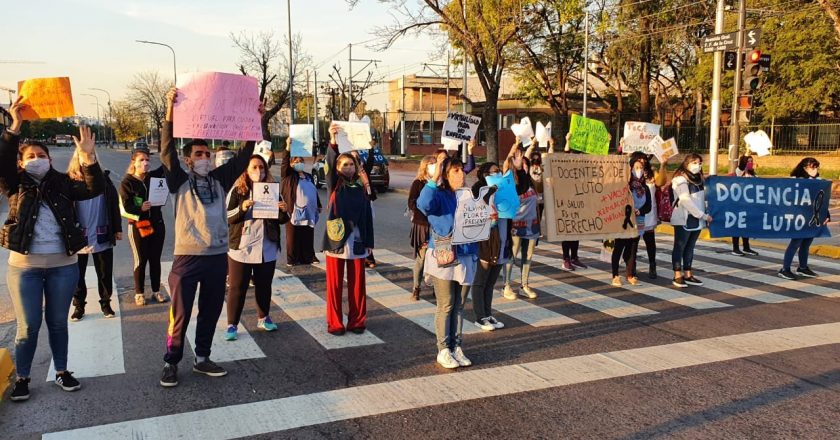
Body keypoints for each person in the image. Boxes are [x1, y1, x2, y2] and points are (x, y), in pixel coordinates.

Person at [1, 96, 104, 401]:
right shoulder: (14, 184)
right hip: (25, 269)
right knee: (28, 326)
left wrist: (88, 157)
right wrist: (14, 127)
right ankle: (22, 377)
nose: (37, 158)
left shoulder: (62, 182)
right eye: (30, 155)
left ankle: (61, 371)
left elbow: (92, 188)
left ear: (50, 159)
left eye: (41, 154)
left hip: (62, 266)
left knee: (58, 322)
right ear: (21, 162)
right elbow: (2, 162)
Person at [157, 87, 258, 387]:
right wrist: (168, 112)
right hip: (187, 258)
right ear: (188, 160)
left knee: (211, 310)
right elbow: (166, 151)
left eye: (208, 154)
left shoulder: (219, 179)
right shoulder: (179, 180)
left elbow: (242, 157)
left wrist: (254, 122)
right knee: (181, 313)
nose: (205, 158)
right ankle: (171, 361)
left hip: (217, 257)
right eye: (199, 154)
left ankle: (202, 358)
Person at [417, 157, 476, 369]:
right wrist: (434, 179)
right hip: (445, 254)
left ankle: (456, 346)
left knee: (459, 305)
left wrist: (489, 220)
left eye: (462, 170)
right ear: (446, 174)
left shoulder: (468, 195)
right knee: (447, 304)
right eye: (456, 170)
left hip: (467, 254)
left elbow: (477, 221)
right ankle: (443, 349)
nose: (461, 174)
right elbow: (423, 205)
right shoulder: (438, 194)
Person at [224, 155, 289, 340]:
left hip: (266, 246)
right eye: (254, 167)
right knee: (237, 287)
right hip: (242, 246)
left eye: (261, 167)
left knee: (264, 285)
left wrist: (283, 210)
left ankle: (263, 317)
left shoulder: (272, 189)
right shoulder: (237, 190)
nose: (258, 171)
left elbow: (284, 219)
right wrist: (242, 208)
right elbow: (228, 217)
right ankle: (232, 325)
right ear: (246, 169)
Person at [323, 123, 375, 335]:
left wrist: (370, 243)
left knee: (357, 285)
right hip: (337, 240)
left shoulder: (362, 187)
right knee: (334, 286)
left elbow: (368, 217)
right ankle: (335, 323)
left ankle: (357, 321)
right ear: (337, 168)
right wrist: (333, 141)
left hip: (358, 240)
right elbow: (329, 161)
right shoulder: (334, 183)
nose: (347, 167)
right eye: (343, 164)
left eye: (351, 164)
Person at [67, 148, 123, 321]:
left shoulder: (104, 180)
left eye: (90, 156)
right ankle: (79, 306)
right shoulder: (69, 181)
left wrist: (117, 228)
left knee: (104, 272)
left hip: (102, 232)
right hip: (78, 235)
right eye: (82, 156)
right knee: (77, 275)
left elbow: (114, 204)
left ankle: (106, 303)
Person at [120, 147, 169, 306]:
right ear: (133, 162)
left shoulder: (153, 177)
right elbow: (126, 207)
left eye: (148, 160)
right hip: (139, 224)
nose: (146, 163)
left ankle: (156, 290)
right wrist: (140, 209)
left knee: (155, 259)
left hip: (157, 224)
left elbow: (167, 164)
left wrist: (169, 145)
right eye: (142, 160)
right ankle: (139, 293)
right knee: (141, 260)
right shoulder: (127, 182)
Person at [469, 162, 510, 331]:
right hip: (486, 241)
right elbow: (476, 208)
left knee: (491, 282)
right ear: (485, 174)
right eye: (495, 172)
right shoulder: (479, 188)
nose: (498, 174)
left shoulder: (504, 188)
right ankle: (480, 316)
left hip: (502, 239)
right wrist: (492, 190)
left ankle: (488, 312)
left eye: (500, 171)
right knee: (480, 281)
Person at [502, 138, 540, 300]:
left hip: (532, 227)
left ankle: (524, 284)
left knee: (528, 257)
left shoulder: (529, 182)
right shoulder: (511, 182)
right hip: (516, 227)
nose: (525, 165)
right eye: (522, 163)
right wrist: (515, 144)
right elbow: (506, 163)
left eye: (526, 163)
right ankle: (507, 285)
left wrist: (532, 145)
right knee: (512, 256)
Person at [778, 157, 830, 280]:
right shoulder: (795, 181)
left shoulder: (819, 181)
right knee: (796, 242)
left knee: (807, 242)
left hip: (811, 217)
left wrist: (826, 214)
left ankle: (802, 267)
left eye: (817, 166)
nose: (815, 169)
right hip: (798, 217)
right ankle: (785, 269)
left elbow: (821, 200)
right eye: (813, 167)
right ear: (804, 168)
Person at [670, 153, 712, 288]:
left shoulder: (699, 179)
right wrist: (702, 215)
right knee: (680, 246)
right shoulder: (680, 179)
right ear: (686, 163)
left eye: (699, 163)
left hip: (697, 219)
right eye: (694, 162)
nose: (697, 165)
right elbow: (685, 200)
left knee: (690, 247)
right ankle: (677, 274)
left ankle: (688, 273)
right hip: (684, 218)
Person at [611, 154, 651, 287]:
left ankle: (630, 274)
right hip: (624, 221)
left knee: (632, 249)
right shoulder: (624, 185)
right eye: (636, 167)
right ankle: (615, 275)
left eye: (641, 168)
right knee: (619, 247)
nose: (639, 170)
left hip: (638, 221)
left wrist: (640, 211)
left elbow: (648, 206)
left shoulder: (645, 188)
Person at [280, 138, 321, 266]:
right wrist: (287, 148)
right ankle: (292, 259)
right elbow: (284, 165)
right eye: (295, 161)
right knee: (293, 236)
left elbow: (313, 191)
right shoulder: (289, 175)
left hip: (309, 211)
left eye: (300, 161)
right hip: (294, 210)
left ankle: (308, 256)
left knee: (308, 234)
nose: (298, 163)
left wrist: (318, 205)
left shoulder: (308, 176)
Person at [631, 151, 667, 279]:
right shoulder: (630, 174)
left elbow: (661, 182)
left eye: (644, 159)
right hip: (635, 214)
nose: (642, 161)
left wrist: (663, 165)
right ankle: (632, 266)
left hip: (649, 213)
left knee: (650, 241)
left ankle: (652, 265)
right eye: (639, 159)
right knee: (634, 242)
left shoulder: (652, 173)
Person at [407, 155, 436, 300]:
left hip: (438, 225)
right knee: (422, 258)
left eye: (435, 163)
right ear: (425, 166)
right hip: (423, 226)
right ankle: (416, 287)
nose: (434, 165)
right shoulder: (418, 183)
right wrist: (423, 209)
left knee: (438, 258)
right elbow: (411, 202)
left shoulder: (440, 183)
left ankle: (436, 289)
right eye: (431, 163)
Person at [555, 135, 586, 271]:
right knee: (567, 231)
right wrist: (567, 141)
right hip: (566, 202)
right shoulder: (566, 167)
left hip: (579, 201)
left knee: (577, 231)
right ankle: (566, 259)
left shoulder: (583, 169)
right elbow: (565, 155)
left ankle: (574, 257)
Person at [730, 154, 759, 256]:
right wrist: (744, 170)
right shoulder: (738, 173)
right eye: (748, 161)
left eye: (751, 161)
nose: (750, 163)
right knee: (737, 226)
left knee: (746, 226)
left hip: (749, 205)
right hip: (738, 204)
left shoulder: (753, 175)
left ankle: (746, 247)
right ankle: (735, 248)